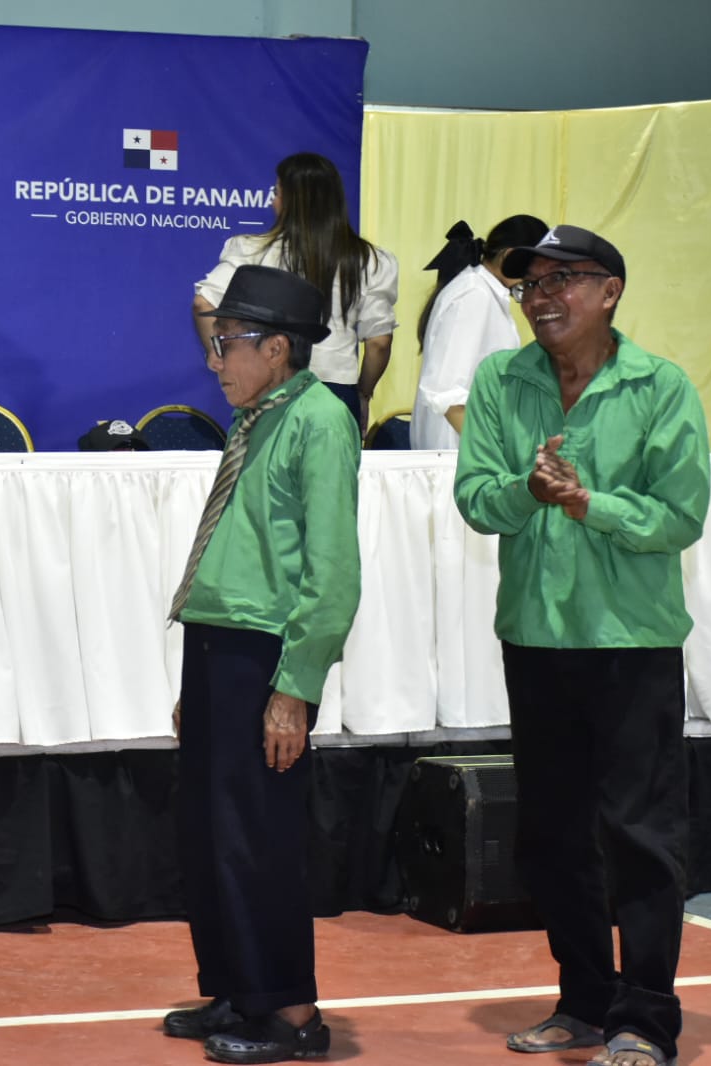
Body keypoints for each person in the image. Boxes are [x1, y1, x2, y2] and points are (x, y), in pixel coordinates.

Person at [453, 225, 709, 1066]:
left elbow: (679, 517)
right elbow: (475, 497)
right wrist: (527, 492)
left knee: (639, 834)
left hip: (630, 643)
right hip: (536, 638)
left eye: (563, 280)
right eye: (530, 284)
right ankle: (584, 1001)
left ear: (609, 292)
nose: (542, 297)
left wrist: (586, 503)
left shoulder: (660, 386)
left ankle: (646, 1019)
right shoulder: (500, 380)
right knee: (552, 836)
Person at [165, 264, 362, 1064]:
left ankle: (289, 1012)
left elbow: (332, 569)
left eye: (225, 344)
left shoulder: (318, 421)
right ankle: (235, 988)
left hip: (264, 650)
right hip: (217, 642)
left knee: (258, 836)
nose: (213, 361)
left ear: (275, 348)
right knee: (210, 832)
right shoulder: (256, 418)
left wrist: (294, 688)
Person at [193, 152, 398, 431]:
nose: (272, 201)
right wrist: (364, 393)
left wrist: (217, 354)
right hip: (337, 390)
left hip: (270, 385)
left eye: (277, 192)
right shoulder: (371, 260)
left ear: (293, 200)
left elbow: (203, 303)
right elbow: (379, 343)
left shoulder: (252, 250)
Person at [409, 214, 549, 450]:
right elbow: (446, 393)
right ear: (509, 256)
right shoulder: (474, 295)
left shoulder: (483, 292)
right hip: (459, 450)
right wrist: (493, 451)